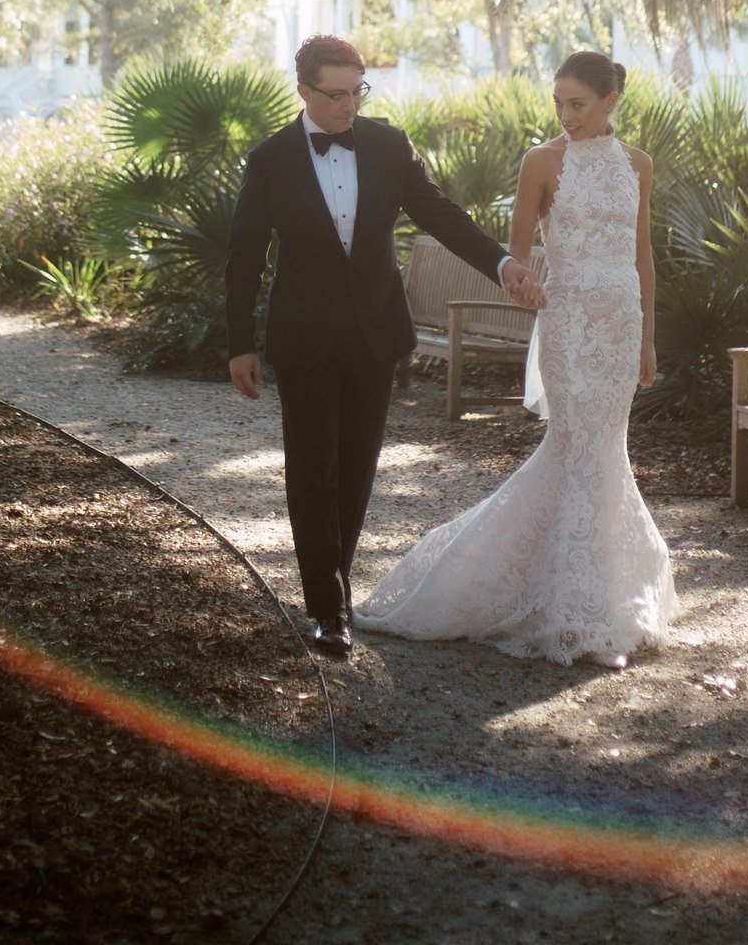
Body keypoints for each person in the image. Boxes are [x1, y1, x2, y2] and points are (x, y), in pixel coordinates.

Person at [352, 51, 675, 668]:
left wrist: (648, 337)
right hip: (569, 320)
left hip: (620, 323)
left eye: (577, 103)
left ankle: (600, 598)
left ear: (611, 101)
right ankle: (563, 606)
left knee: (605, 452)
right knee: (574, 445)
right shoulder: (542, 161)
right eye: (559, 103)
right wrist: (520, 282)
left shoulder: (639, 164)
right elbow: (517, 253)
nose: (566, 114)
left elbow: (643, 255)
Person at [225, 35, 545, 659]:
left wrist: (502, 263)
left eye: (357, 91)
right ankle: (325, 608)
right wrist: (240, 344)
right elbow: (243, 258)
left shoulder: (388, 145)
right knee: (311, 469)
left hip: (375, 335)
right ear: (305, 91)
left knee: (356, 470)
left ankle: (335, 590)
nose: (349, 106)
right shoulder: (270, 160)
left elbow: (440, 215)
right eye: (336, 94)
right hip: (305, 336)